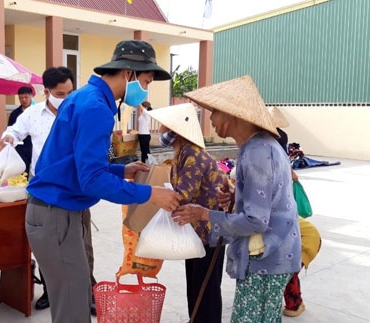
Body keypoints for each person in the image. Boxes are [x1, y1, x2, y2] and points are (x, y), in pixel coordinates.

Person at [25, 40, 181, 323]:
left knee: (78, 293)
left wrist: (121, 171)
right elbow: (92, 181)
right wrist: (150, 194)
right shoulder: (96, 108)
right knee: (72, 306)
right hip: (56, 213)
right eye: (145, 81)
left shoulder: (84, 97)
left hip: (59, 210)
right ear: (129, 73)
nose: (144, 89)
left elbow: (77, 165)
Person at [174, 75, 302, 323]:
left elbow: (256, 221)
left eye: (215, 113)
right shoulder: (259, 147)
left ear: (233, 115)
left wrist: (204, 214)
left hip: (267, 257)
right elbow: (268, 199)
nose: (211, 120)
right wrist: (237, 196)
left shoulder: (257, 153)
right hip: (273, 254)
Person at [2, 67, 102, 314]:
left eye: (70, 91)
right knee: (50, 251)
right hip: (45, 190)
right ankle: (51, 292)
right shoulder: (33, 114)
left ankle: (86, 293)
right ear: (46, 91)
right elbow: (14, 130)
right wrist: (8, 138)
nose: (66, 97)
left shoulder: (79, 111)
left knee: (82, 245)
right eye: (60, 93)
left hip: (75, 188)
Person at [149, 103, 227, 323]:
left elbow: (183, 193)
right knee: (195, 285)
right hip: (196, 231)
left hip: (209, 231)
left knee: (205, 289)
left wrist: (148, 194)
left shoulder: (192, 154)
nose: (162, 129)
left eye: (165, 126)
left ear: (176, 130)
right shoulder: (182, 152)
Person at [268, 106, 321, 317]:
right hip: (291, 224)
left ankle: (294, 304)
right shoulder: (277, 139)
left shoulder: (271, 141)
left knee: (288, 268)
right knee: (284, 266)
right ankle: (293, 303)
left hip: (304, 236)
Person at [7, 86, 34, 176]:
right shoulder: (15, 114)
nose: (23, 100)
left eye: (26, 97)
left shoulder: (37, 111)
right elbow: (10, 129)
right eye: (21, 98)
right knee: (23, 171)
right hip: (21, 147)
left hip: (34, 145)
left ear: (31, 96)